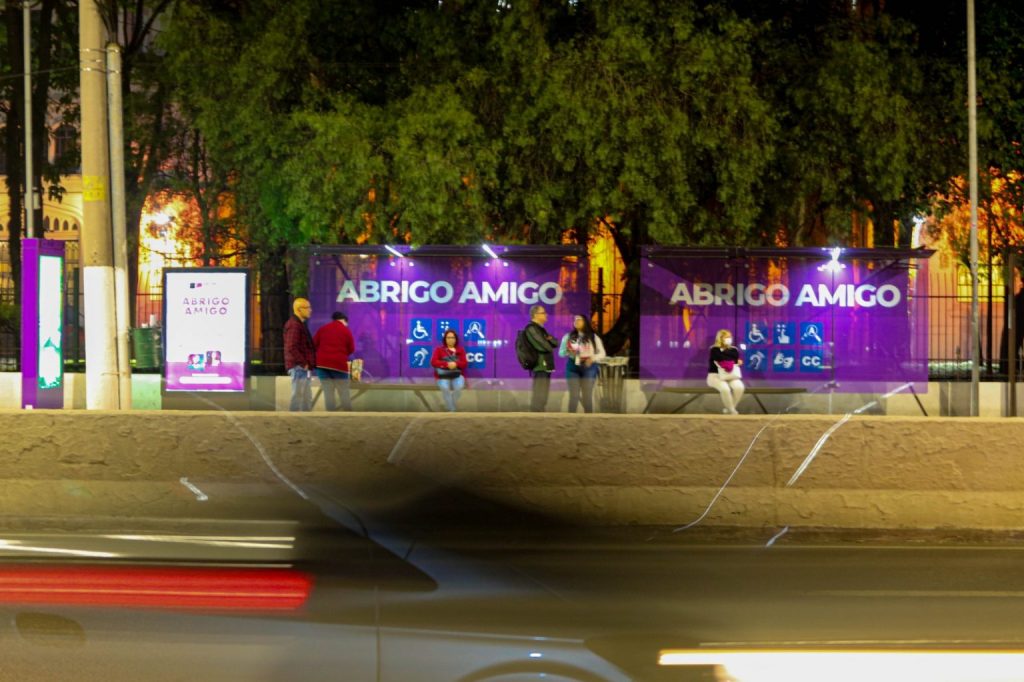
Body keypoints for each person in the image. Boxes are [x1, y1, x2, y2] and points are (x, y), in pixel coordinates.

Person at [558, 314, 607, 413]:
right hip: (573, 367)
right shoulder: (568, 336)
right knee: (574, 395)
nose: (576, 321)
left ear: (585, 322)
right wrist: (568, 351)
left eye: (579, 319)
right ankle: (570, 420)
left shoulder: (593, 337)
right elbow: (561, 353)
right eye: (575, 320)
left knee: (587, 395)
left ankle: (588, 420)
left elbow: (602, 353)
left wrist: (592, 358)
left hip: (589, 367)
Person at [313, 311, 356, 411]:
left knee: (328, 392)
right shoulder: (346, 330)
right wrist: (343, 355)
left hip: (322, 365)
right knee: (343, 391)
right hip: (339, 365)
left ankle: (330, 414)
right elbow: (351, 349)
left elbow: (314, 344)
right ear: (344, 321)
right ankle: (348, 414)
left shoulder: (323, 329)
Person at [524, 304, 559, 412]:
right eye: (543, 313)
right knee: (539, 394)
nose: (546, 315)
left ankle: (540, 416)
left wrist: (548, 341)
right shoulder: (531, 329)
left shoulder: (541, 329)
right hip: (540, 365)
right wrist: (548, 342)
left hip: (546, 365)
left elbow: (555, 343)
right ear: (535, 315)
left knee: (543, 395)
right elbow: (544, 346)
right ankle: (535, 418)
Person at [283, 297, 316, 412]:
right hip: (299, 367)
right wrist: (304, 363)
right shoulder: (295, 325)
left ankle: (305, 423)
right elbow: (291, 347)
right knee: (299, 396)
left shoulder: (298, 324)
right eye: (307, 308)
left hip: (301, 367)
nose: (310, 310)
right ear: (299, 309)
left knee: (305, 397)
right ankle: (295, 421)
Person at [430, 329, 469, 412]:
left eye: (452, 337)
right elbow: (433, 362)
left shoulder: (460, 350)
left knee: (459, 387)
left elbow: (464, 363)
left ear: (456, 339)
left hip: (457, 375)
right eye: (448, 337)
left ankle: (450, 407)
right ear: (445, 339)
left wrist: (456, 364)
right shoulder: (439, 350)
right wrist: (447, 364)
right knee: (445, 388)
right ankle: (452, 410)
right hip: (442, 376)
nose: (450, 339)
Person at [707, 328, 744, 415]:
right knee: (725, 389)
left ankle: (729, 409)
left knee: (739, 387)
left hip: (731, 375)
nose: (729, 339)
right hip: (715, 376)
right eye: (727, 337)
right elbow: (719, 358)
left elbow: (733, 357)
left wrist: (727, 357)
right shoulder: (714, 349)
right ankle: (732, 411)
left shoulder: (734, 349)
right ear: (721, 338)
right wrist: (731, 359)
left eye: (730, 337)